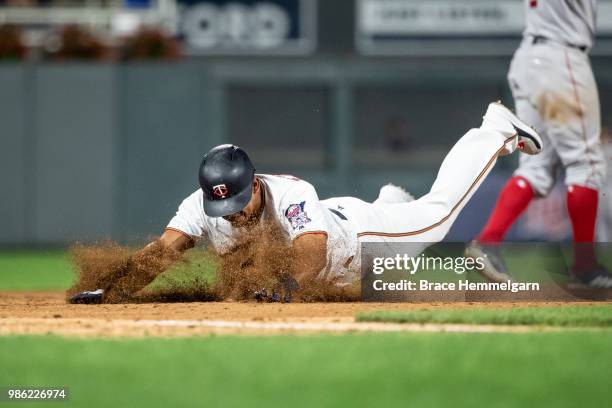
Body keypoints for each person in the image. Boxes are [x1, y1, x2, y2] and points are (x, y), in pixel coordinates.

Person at [70, 102, 542, 304]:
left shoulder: (289, 192)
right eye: (223, 205)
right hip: (338, 232)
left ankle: (494, 129)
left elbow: (313, 248)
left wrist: (287, 286)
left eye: (237, 200)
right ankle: (393, 199)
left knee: (437, 217)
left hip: (358, 240)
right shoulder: (199, 205)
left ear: (253, 184)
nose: (231, 211)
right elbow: (164, 250)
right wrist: (117, 288)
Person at [466, 0, 612, 288]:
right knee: (586, 164)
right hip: (562, 55)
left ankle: (488, 241)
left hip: (528, 59)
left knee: (536, 166)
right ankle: (585, 267)